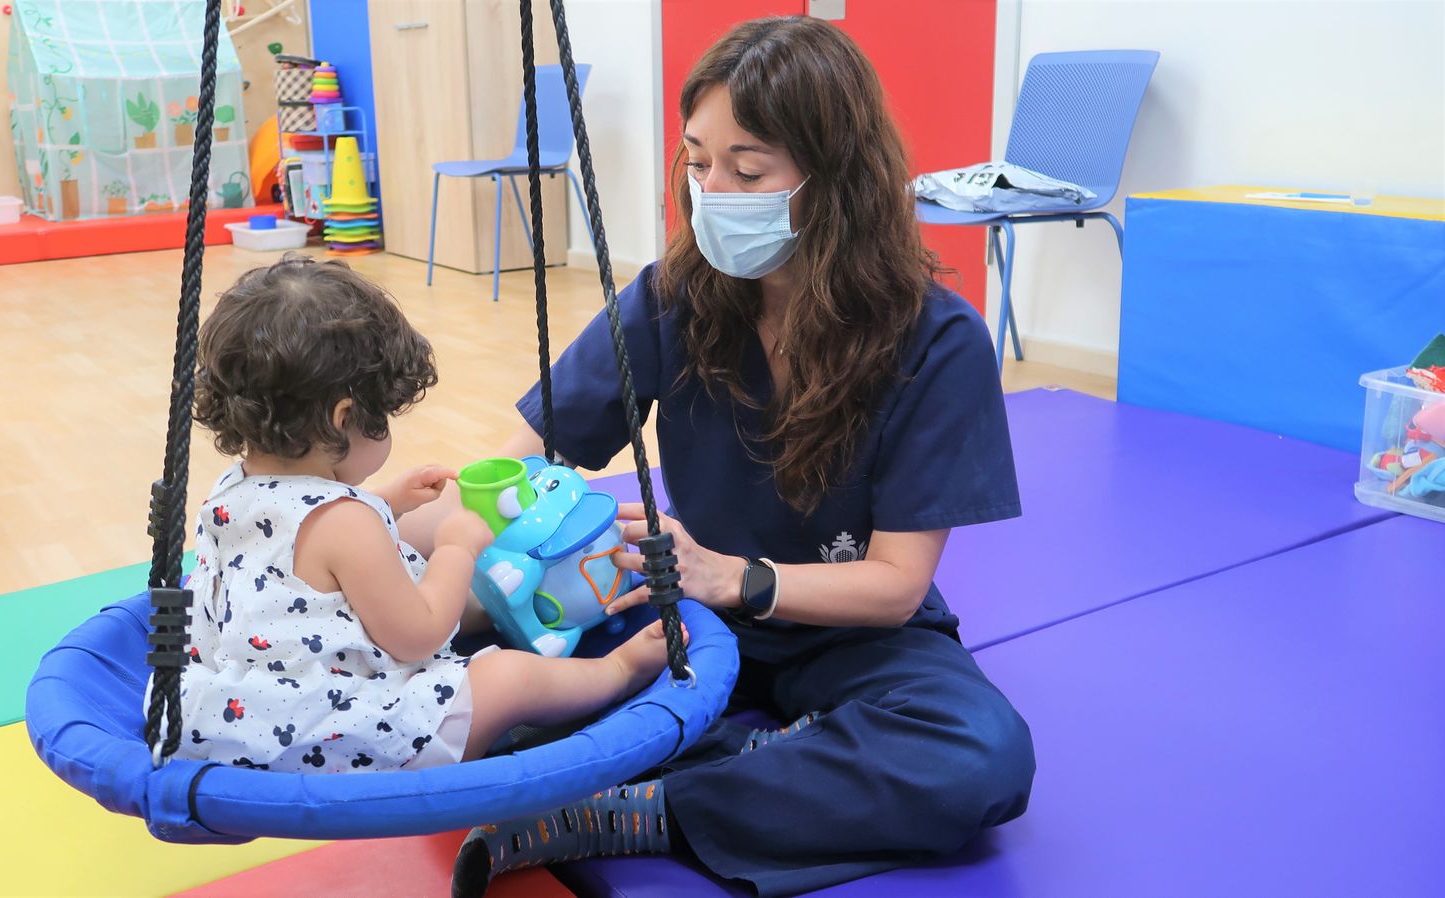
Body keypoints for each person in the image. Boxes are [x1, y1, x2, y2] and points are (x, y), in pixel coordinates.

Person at [450, 17, 1035, 897]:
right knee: (486, 684)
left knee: (980, 754)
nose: (711, 191)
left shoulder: (935, 342)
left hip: (843, 631)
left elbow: (894, 587)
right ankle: (757, 761)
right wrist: (425, 557)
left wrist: (735, 577)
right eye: (696, 162)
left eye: (747, 169)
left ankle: (646, 803)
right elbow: (523, 460)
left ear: (832, 179)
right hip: (677, 615)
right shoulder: (671, 299)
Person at [161, 256, 679, 775]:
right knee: (505, 676)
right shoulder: (347, 524)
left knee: (409, 559)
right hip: (341, 739)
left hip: (231, 719)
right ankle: (617, 671)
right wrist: (456, 547)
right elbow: (418, 635)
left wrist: (384, 502)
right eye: (381, 416)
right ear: (343, 419)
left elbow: (300, 552)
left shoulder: (234, 489)